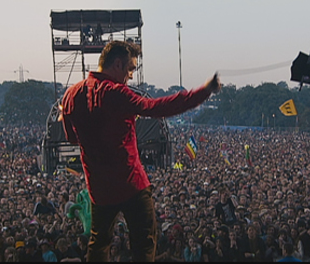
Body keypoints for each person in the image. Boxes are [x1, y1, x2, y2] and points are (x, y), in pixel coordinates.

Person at [60, 40, 221, 262]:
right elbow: (156, 107)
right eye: (130, 69)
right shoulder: (115, 93)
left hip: (98, 188)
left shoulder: (70, 95)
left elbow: (70, 137)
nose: (130, 76)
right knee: (144, 244)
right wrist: (203, 92)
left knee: (99, 245)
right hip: (131, 184)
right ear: (117, 64)